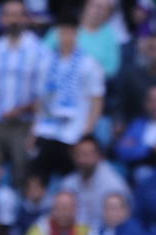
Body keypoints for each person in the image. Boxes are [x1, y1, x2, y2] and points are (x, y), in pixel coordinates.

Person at [0, 0, 51, 179]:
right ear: (2, 19)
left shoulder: (39, 51)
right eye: (9, 15)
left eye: (18, 15)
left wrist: (27, 117)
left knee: (22, 168)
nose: (13, 20)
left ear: (26, 18)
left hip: (25, 123)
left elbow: (44, 96)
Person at [30, 15, 106, 180]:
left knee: (71, 180)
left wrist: (87, 132)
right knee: (37, 177)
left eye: (70, 32)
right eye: (63, 32)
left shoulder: (89, 63)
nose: (66, 37)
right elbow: (41, 99)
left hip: (74, 132)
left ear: (76, 34)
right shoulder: (46, 62)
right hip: (47, 130)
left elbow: (97, 100)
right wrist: (34, 129)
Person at [57, 137, 129, 229]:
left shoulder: (113, 185)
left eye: (86, 154)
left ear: (98, 156)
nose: (82, 159)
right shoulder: (68, 183)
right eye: (78, 154)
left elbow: (122, 220)